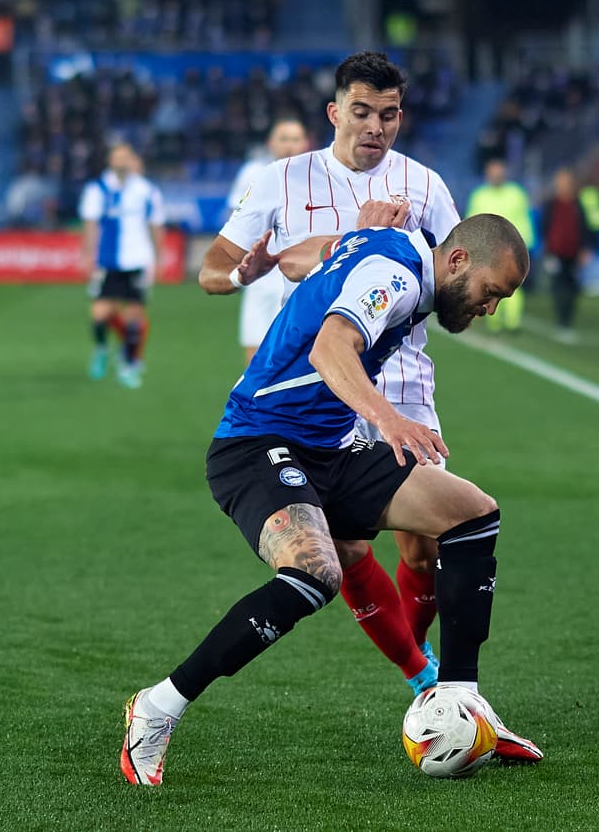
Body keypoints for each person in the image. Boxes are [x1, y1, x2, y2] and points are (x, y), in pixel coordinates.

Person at [122, 214, 534, 786]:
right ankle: (157, 707)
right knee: (314, 573)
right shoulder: (398, 275)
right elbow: (329, 348)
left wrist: (279, 259)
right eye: (492, 293)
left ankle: (463, 701)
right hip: (256, 443)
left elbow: (321, 252)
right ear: (458, 260)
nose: (489, 308)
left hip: (327, 449)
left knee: (472, 513)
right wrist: (389, 420)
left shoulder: (386, 249)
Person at [199, 53, 462, 711]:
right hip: (317, 375)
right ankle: (421, 679)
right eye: (363, 112)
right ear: (335, 112)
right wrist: (247, 272)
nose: (376, 126)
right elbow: (213, 269)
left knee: (424, 545)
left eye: (390, 114)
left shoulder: (425, 185)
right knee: (342, 546)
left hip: (399, 374)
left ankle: (417, 648)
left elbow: (458, 269)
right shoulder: (281, 180)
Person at [79, 143, 165, 389]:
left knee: (134, 316)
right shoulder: (97, 190)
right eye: (117, 158)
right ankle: (102, 349)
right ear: (110, 161)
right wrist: (87, 254)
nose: (121, 162)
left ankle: (128, 363)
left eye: (125, 158)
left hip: (137, 261)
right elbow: (91, 225)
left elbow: (155, 225)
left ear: (131, 161)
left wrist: (158, 257)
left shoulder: (146, 191)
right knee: (100, 314)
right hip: (107, 262)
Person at [226, 117, 310, 366]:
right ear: (270, 142)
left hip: (299, 277)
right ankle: (256, 403)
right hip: (261, 277)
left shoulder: (316, 177)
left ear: (305, 144)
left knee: (298, 354)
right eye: (283, 139)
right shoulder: (253, 174)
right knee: (255, 351)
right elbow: (236, 220)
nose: (289, 146)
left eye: (295, 139)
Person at [465, 157, 535, 333]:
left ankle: (513, 322)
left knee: (513, 286)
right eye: (493, 172)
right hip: (489, 249)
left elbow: (524, 220)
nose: (496, 175)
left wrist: (526, 244)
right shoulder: (480, 195)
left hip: (513, 249)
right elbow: (473, 220)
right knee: (490, 284)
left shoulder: (516, 194)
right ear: (487, 174)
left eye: (499, 172)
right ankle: (494, 321)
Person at [539, 167, 597, 341]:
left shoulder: (577, 204)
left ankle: (568, 317)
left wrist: (585, 249)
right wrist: (547, 249)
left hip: (574, 251)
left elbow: (584, 227)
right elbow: (545, 226)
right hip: (556, 251)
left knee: (572, 286)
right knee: (558, 285)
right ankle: (561, 317)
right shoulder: (551, 204)